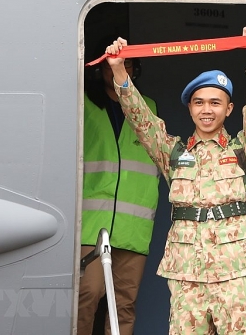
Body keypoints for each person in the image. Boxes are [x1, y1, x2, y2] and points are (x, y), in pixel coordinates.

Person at [106, 24, 246, 334]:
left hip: (235, 273)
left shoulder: (242, 148)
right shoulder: (172, 152)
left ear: (228, 109)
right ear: (189, 108)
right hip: (187, 275)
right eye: (199, 102)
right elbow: (142, 122)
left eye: (215, 102)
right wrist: (119, 72)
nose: (206, 110)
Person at [79, 36, 160, 335]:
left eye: (128, 63)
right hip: (90, 226)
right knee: (86, 297)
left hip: (133, 230)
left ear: (135, 68)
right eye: (114, 63)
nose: (119, 68)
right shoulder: (84, 104)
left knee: (124, 305)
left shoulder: (148, 108)